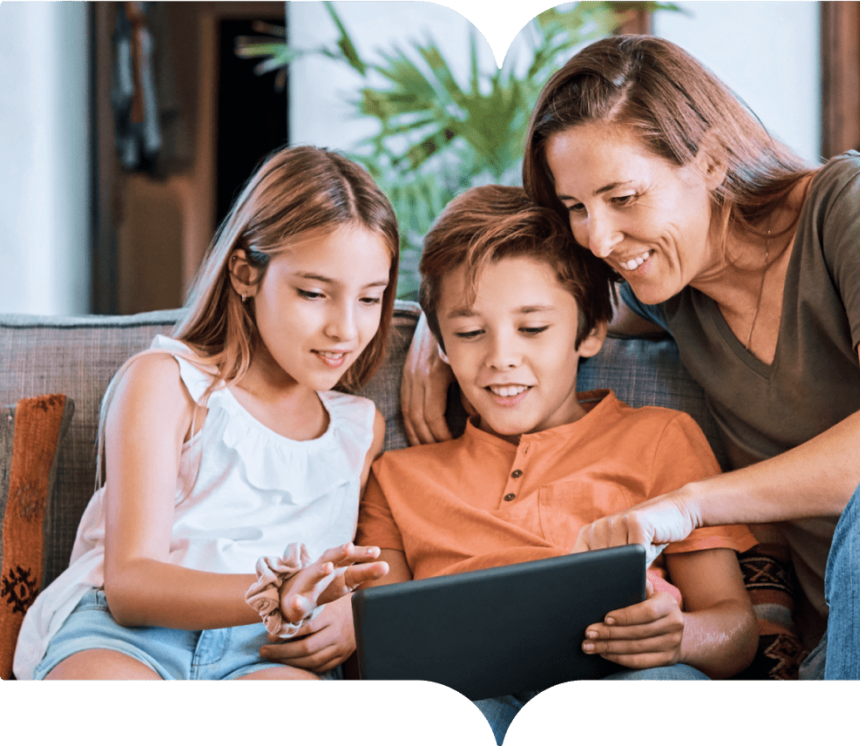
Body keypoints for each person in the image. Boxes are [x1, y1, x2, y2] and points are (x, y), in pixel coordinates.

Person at [401, 36, 860, 682]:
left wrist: (689, 504)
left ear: (710, 161)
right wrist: (436, 329)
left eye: (624, 198)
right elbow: (555, 311)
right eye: (576, 208)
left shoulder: (853, 205)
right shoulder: (672, 293)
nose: (599, 238)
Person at [279, 185, 759, 742]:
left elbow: (736, 631)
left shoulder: (661, 438)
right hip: (469, 700)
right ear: (438, 345)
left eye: (533, 328)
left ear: (591, 330)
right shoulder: (398, 477)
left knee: (663, 691)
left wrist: (679, 638)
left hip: (624, 685)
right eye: (469, 333)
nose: (501, 356)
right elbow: (384, 663)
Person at [13, 146, 395, 682]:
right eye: (313, 293)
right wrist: (275, 593)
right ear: (244, 274)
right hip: (127, 637)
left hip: (267, 654)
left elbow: (372, 569)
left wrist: (348, 614)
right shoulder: (168, 382)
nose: (346, 330)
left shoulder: (359, 428)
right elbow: (131, 587)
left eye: (370, 299)